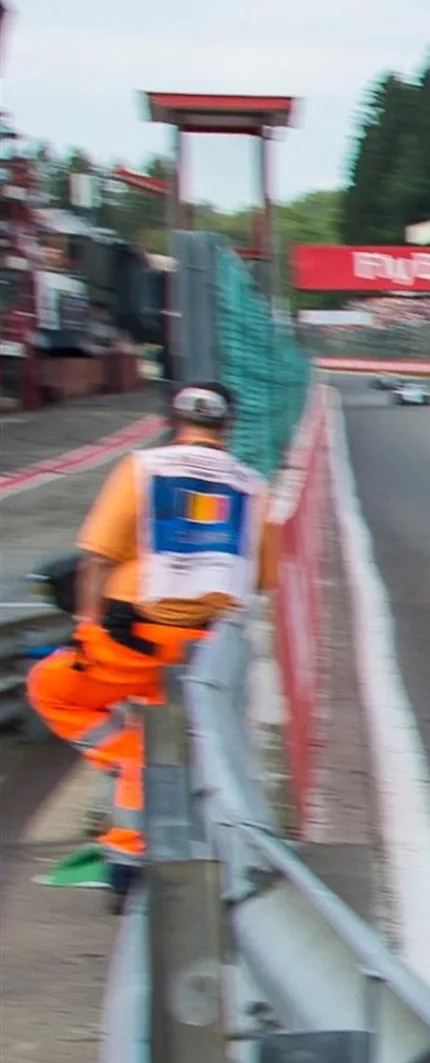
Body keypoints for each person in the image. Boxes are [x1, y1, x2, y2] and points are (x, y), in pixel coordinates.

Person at [25, 384, 273, 909]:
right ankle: (137, 835)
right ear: (228, 428)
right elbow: (263, 577)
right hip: (208, 650)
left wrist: (87, 628)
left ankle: (128, 784)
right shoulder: (252, 485)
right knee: (169, 733)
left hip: (131, 640)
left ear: (172, 420)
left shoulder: (143, 468)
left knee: (52, 687)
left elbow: (96, 557)